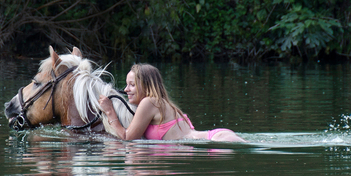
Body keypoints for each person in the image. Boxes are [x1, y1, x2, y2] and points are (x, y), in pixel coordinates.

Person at [98, 63, 245, 142]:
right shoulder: (160, 102)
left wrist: (110, 111)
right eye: (126, 84)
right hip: (217, 136)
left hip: (215, 141)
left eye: (132, 84)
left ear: (146, 85)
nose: (126, 89)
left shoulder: (149, 102)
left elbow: (127, 138)